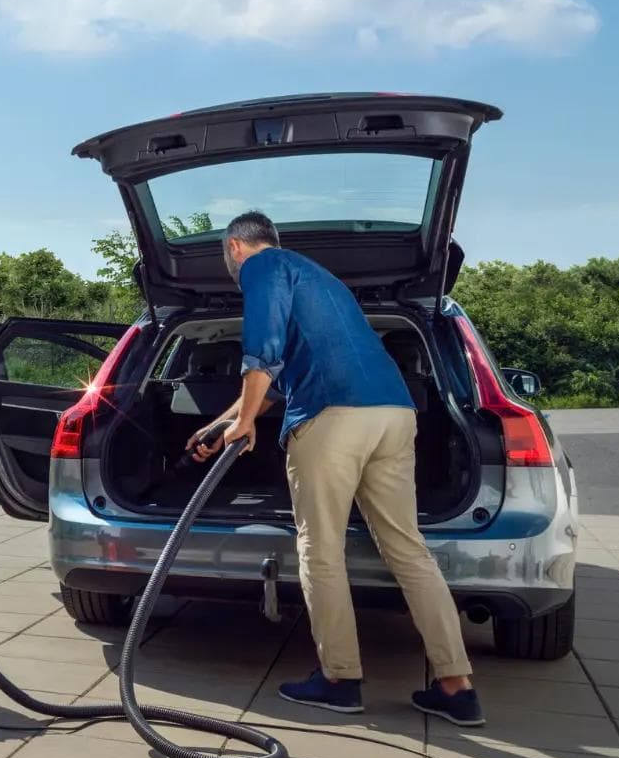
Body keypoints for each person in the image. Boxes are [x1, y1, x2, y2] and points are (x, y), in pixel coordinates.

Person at [189, 211, 484, 727]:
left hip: (333, 419)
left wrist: (246, 423)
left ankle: (339, 680)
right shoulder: (322, 280)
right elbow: (290, 376)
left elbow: (265, 351)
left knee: (320, 550)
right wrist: (226, 422)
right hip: (393, 414)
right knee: (408, 550)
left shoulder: (262, 267)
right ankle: (457, 687)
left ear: (236, 246)